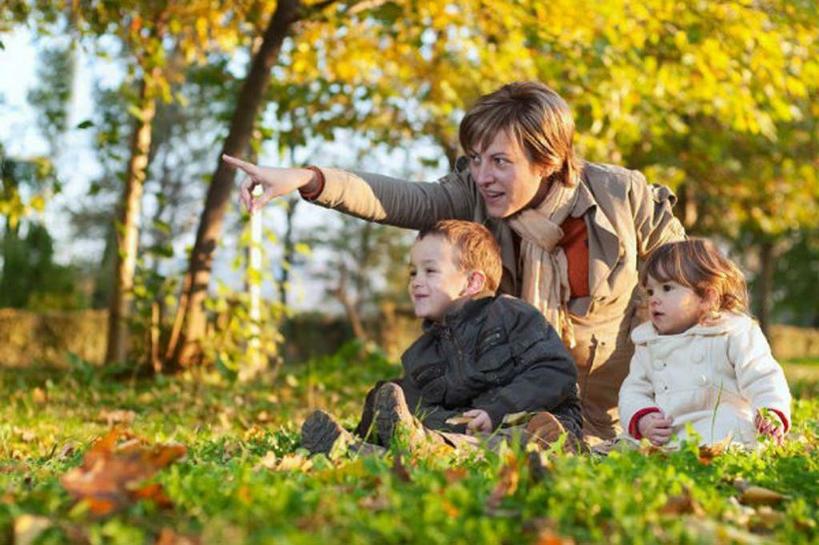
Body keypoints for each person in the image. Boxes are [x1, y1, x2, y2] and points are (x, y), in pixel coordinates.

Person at [223, 81, 685, 443]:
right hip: (508, 395)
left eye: (500, 161)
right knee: (478, 433)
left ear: (546, 160)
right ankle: (396, 437)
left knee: (549, 445)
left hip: (613, 409)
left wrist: (723, 392)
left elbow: (697, 286)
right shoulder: (473, 195)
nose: (483, 176)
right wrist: (309, 178)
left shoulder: (622, 198)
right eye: (476, 158)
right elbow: (400, 198)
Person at [301, 220, 583, 455]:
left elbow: (555, 371)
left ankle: (424, 446)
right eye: (413, 272)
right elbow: (408, 407)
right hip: (469, 429)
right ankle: (362, 449)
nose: (415, 281)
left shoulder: (510, 314)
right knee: (399, 398)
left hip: (534, 423)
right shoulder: (422, 353)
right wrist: (380, 408)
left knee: (516, 440)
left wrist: (498, 410)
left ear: (472, 282)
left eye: (430, 271)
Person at [618, 239, 791, 447]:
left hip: (723, 431)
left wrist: (770, 411)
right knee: (623, 447)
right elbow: (633, 390)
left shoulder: (732, 331)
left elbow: (762, 376)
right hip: (670, 434)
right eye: (650, 291)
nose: (654, 299)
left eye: (667, 288)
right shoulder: (648, 343)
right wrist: (644, 418)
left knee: (730, 435)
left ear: (706, 297)